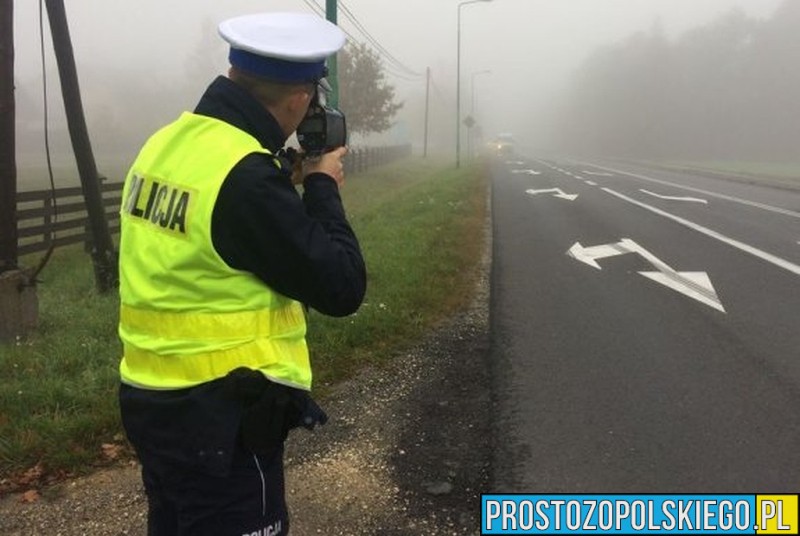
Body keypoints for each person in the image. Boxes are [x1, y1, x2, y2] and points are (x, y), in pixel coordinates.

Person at [116, 12, 366, 536]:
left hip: (152, 399)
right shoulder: (246, 178)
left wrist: (280, 179)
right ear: (299, 96)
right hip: (222, 416)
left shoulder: (168, 142)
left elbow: (213, 234)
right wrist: (322, 186)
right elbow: (342, 286)